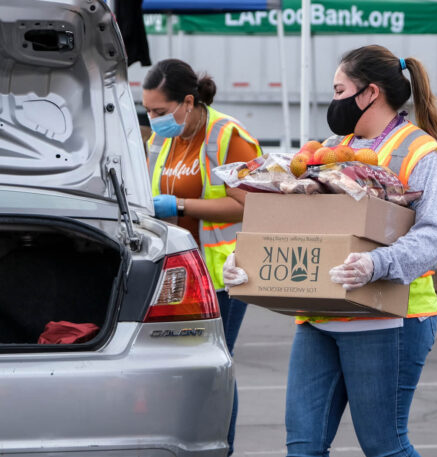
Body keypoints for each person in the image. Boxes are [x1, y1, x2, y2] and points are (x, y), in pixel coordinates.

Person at [223, 45, 437, 456]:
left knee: (384, 446)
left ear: (370, 92)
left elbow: (431, 236)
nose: (332, 100)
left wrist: (377, 263)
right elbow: (303, 221)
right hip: (322, 313)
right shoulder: (333, 148)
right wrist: (247, 259)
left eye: (339, 89)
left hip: (391, 316)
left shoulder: (419, 150)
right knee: (303, 446)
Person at [142, 59, 261, 455]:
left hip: (224, 273)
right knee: (181, 371)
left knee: (215, 368)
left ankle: (220, 447)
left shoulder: (227, 135)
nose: (152, 118)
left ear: (188, 102)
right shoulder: (161, 139)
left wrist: (181, 204)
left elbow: (253, 205)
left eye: (159, 111)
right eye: (148, 110)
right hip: (177, 273)